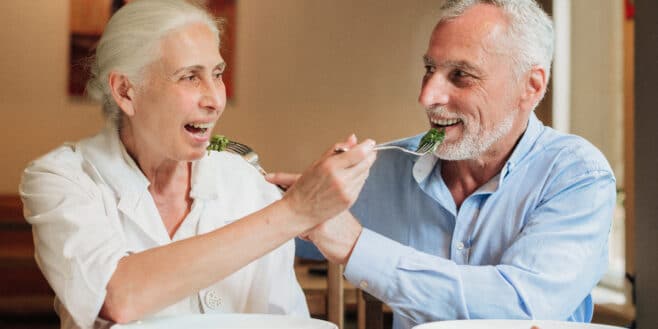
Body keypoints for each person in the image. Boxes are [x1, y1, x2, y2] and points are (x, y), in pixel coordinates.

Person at [19, 0, 376, 328]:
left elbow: (285, 321)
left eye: (217, 74)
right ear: (126, 91)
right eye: (190, 76)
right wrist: (295, 211)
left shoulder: (248, 184)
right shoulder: (61, 178)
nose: (215, 100)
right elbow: (116, 297)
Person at [280, 1, 616, 328]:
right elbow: (279, 226)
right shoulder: (385, 170)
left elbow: (521, 308)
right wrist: (290, 201)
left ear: (530, 86)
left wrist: (354, 245)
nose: (427, 97)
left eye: (461, 75)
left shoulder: (578, 176)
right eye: (430, 69)